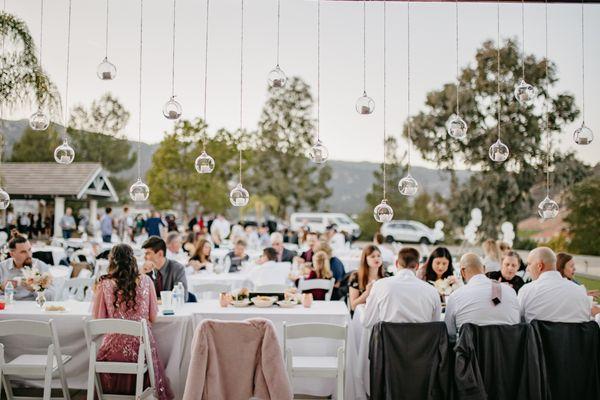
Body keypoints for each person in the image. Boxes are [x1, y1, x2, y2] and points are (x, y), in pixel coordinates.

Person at [91, 244, 174, 400]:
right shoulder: (146, 281)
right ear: (133, 260)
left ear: (112, 261)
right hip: (140, 349)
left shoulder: (105, 284)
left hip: (111, 351)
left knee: (109, 344)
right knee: (147, 345)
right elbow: (154, 318)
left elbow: (98, 320)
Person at [445, 253, 520, 338]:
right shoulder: (510, 291)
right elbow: (517, 324)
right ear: (484, 269)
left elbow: (449, 332)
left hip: (472, 350)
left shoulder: (456, 296)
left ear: (462, 271)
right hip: (507, 349)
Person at [362, 247, 441, 328]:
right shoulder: (432, 291)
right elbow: (435, 325)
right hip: (423, 340)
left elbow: (367, 322)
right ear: (417, 266)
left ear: (396, 263)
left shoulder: (379, 285)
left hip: (388, 340)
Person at [518, 247, 590, 323]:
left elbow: (516, 321)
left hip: (540, 335)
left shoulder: (527, 290)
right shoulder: (580, 291)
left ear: (540, 266)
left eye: (529, 264)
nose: (527, 269)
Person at [0, 230, 55, 300]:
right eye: (23, 252)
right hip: (8, 308)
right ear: (12, 254)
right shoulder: (2, 267)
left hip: (33, 308)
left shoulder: (40, 266)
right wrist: (1, 288)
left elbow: (52, 296)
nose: (29, 255)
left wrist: (35, 289)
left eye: (29, 250)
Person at [141, 236, 188, 301]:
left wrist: (155, 302)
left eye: (148, 253)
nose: (145, 257)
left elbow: (182, 297)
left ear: (160, 254)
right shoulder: (147, 271)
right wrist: (141, 274)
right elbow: (139, 297)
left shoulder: (177, 269)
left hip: (174, 310)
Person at [348, 245, 385, 310]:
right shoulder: (356, 277)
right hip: (363, 315)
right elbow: (353, 306)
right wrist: (367, 293)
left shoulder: (387, 276)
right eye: (372, 256)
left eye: (379, 256)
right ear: (365, 259)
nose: (377, 258)